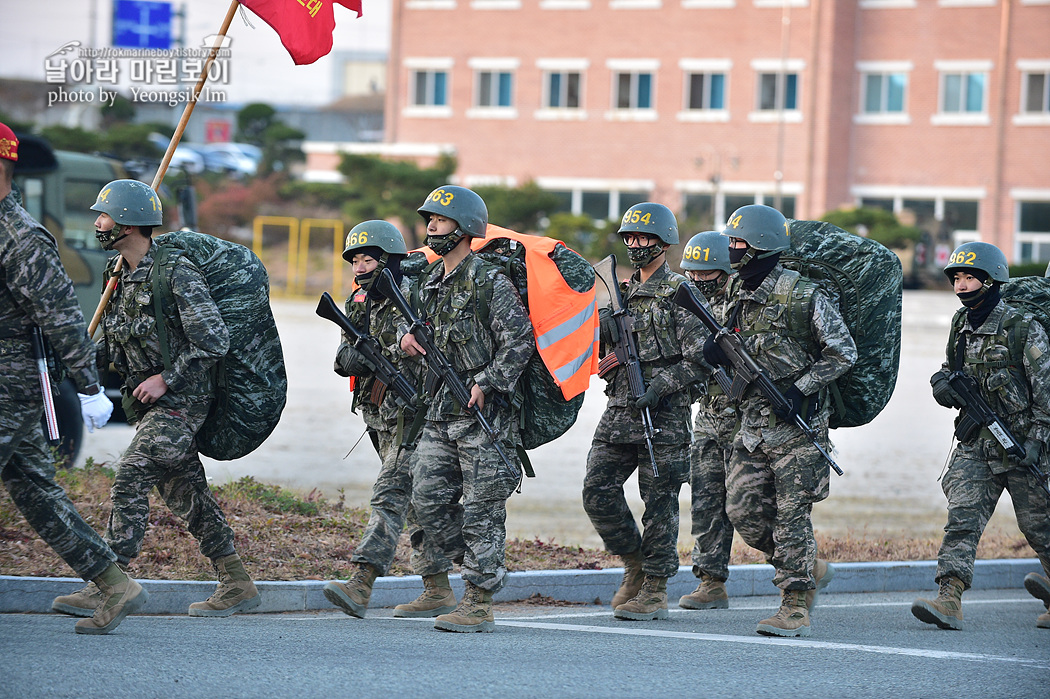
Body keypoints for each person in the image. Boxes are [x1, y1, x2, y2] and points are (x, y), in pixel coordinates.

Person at [51, 179, 260, 618]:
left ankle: (110, 582)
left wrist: (167, 378)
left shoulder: (175, 270)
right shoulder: (117, 274)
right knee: (186, 493)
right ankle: (237, 582)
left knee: (130, 474)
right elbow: (115, 342)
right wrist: (76, 363)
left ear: (127, 223)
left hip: (183, 401)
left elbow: (214, 340)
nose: (97, 222)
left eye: (104, 214)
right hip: (147, 404)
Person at [0, 122, 148, 634]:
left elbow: (61, 316)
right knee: (37, 493)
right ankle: (113, 583)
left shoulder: (21, 238)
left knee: (37, 490)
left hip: (10, 382)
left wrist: (87, 386)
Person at [708, 204, 857, 637]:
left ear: (760, 247)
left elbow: (842, 352)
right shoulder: (736, 290)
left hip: (797, 426)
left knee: (792, 515)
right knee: (743, 511)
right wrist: (714, 352)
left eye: (738, 244)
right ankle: (808, 566)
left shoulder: (803, 295)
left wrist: (802, 388)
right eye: (731, 243)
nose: (731, 251)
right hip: (752, 426)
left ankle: (794, 605)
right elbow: (722, 337)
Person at [399, 185, 534, 633]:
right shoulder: (429, 282)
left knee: (482, 510)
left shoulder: (489, 280)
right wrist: (405, 340)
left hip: (484, 416)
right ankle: (485, 567)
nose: (431, 226)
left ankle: (478, 600)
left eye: (439, 219)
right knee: (427, 501)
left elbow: (520, 342)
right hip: (439, 412)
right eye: (430, 219)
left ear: (466, 228)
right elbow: (408, 325)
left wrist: (488, 382)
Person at [322, 220, 463, 619]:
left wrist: (386, 350)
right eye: (355, 261)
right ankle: (438, 589)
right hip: (380, 420)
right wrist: (367, 354)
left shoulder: (416, 298)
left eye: (368, 259)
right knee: (417, 505)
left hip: (417, 420)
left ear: (388, 261)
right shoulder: (359, 303)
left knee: (389, 494)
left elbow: (433, 349)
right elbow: (341, 359)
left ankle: (361, 582)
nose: (359, 268)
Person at [913, 241, 1050, 630]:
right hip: (978, 443)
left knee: (1040, 527)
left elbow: (1047, 395)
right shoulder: (961, 325)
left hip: (1023, 445)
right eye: (956, 277)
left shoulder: (1024, 329)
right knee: (963, 518)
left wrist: (1036, 442)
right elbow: (950, 368)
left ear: (991, 281)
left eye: (969, 277)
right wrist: (943, 385)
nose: (961, 285)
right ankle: (949, 598)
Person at [585, 202, 706, 621]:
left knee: (659, 503)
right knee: (596, 491)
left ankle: (654, 589)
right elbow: (597, 342)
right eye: (631, 238)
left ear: (664, 242)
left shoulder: (682, 293)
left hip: (665, 417)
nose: (636, 245)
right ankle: (634, 561)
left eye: (645, 238)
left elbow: (703, 359)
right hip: (619, 409)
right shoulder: (615, 290)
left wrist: (661, 385)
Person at [678, 230, 737, 611]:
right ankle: (711, 581)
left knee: (754, 506)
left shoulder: (743, 303)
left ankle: (799, 569)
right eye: (692, 274)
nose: (698, 281)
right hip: (709, 416)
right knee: (705, 499)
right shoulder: (689, 305)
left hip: (750, 417)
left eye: (707, 274)